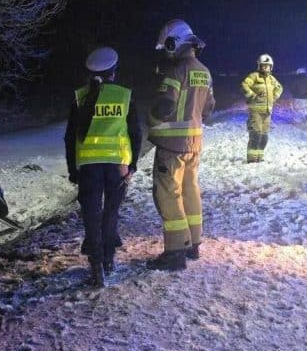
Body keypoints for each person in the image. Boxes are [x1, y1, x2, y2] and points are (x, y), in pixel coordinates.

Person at [64, 46, 142, 288]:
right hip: (118, 166)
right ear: (113, 72)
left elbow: (70, 137)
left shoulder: (80, 97)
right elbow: (135, 133)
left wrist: (73, 170)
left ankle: (96, 266)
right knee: (110, 213)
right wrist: (133, 165)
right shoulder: (125, 95)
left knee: (91, 215)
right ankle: (109, 258)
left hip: (88, 168)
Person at [147, 19, 215, 271]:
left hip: (171, 147)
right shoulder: (204, 71)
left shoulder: (175, 71)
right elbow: (209, 109)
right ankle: (193, 245)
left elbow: (165, 106)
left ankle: (175, 252)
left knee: (168, 195)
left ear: (174, 43)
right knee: (190, 191)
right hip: (194, 144)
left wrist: (151, 119)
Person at [240, 54, 283, 163]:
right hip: (256, 112)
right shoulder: (254, 76)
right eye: (264, 65)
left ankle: (259, 157)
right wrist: (252, 95)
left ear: (271, 67)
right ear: (259, 66)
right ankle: (252, 159)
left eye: (268, 66)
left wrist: (274, 96)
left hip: (267, 112)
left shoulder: (271, 79)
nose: (266, 67)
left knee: (264, 137)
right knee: (256, 135)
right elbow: (244, 85)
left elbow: (280, 88)